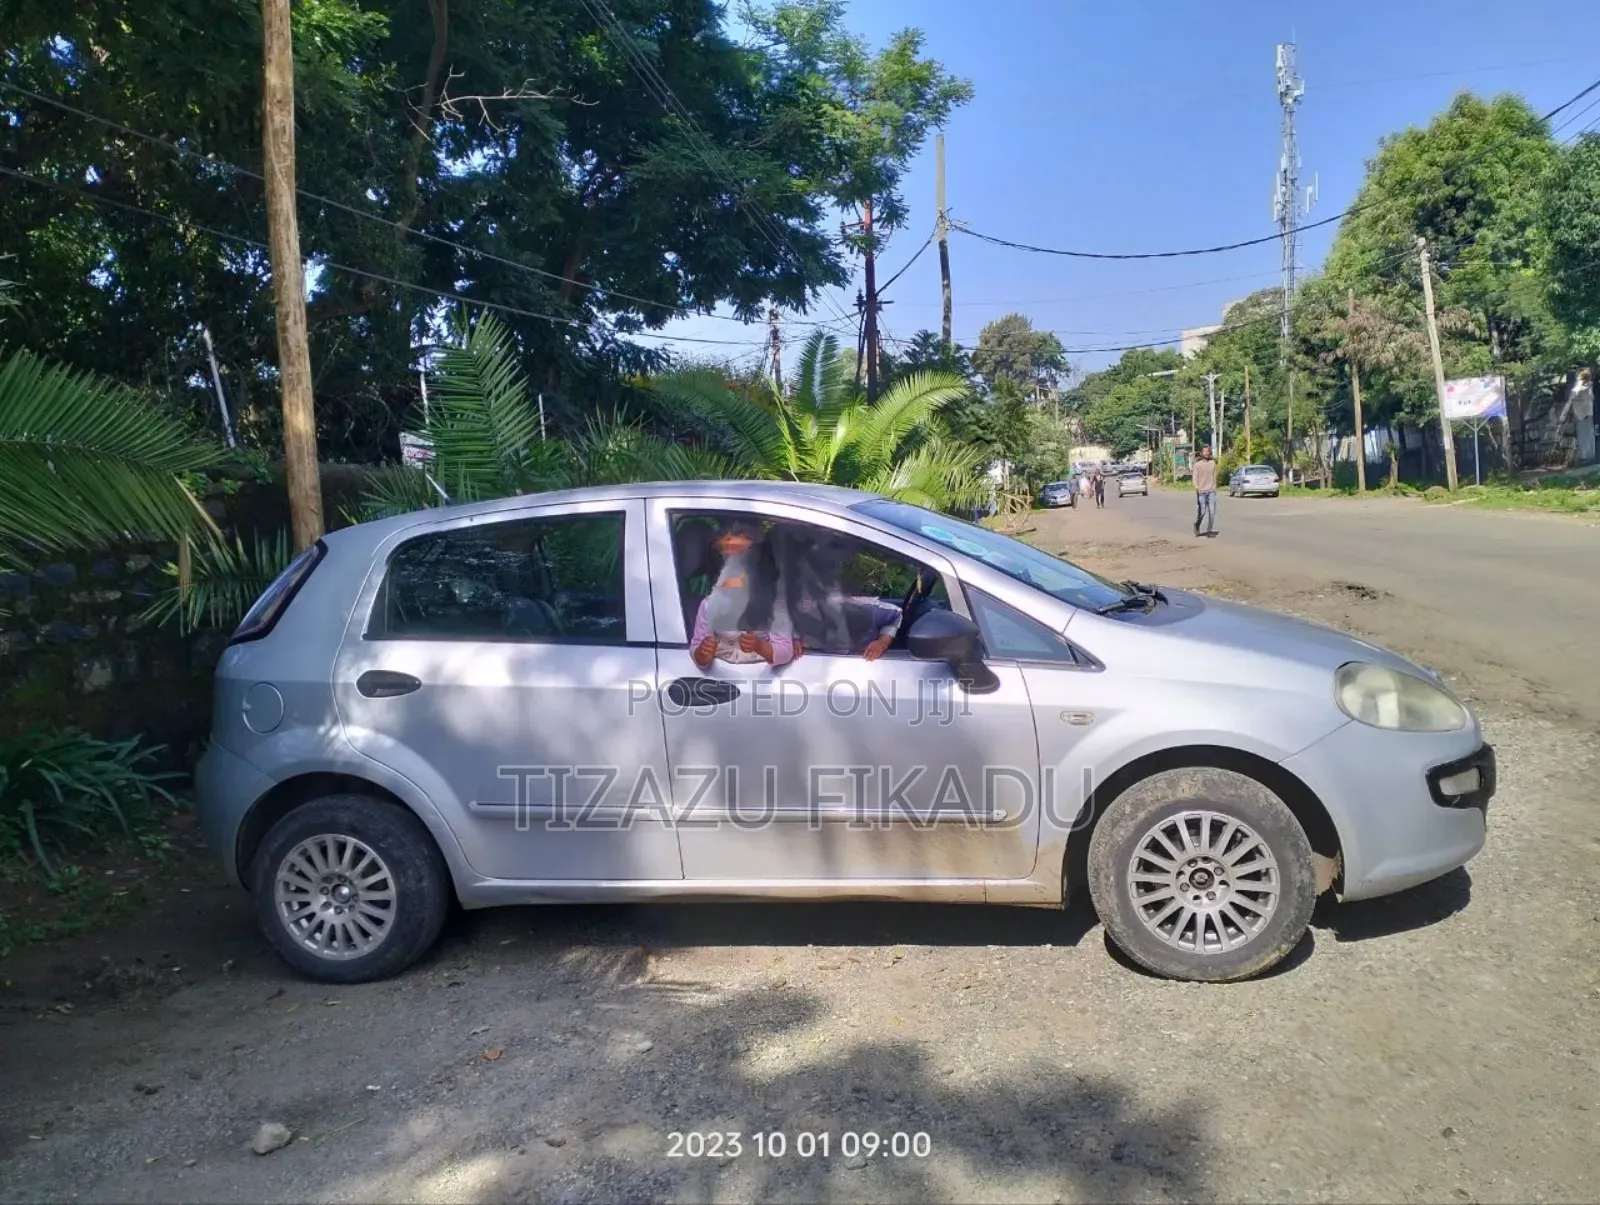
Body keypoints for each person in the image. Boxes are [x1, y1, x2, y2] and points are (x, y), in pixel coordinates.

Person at [690, 522, 797, 668]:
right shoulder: (709, 604)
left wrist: (760, 646)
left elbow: (785, 650)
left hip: (760, 676)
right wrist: (702, 654)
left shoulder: (774, 604)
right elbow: (697, 647)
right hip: (721, 678)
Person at [1192, 444, 1219, 537]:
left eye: (1208, 451)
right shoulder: (1197, 465)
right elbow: (1195, 478)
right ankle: (1197, 525)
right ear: (1201, 453)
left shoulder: (1213, 463)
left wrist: (1214, 487)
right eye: (1205, 451)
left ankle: (1209, 531)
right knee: (1202, 512)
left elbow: (1215, 476)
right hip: (1201, 492)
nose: (1206, 453)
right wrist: (1197, 488)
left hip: (1211, 491)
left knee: (1212, 512)